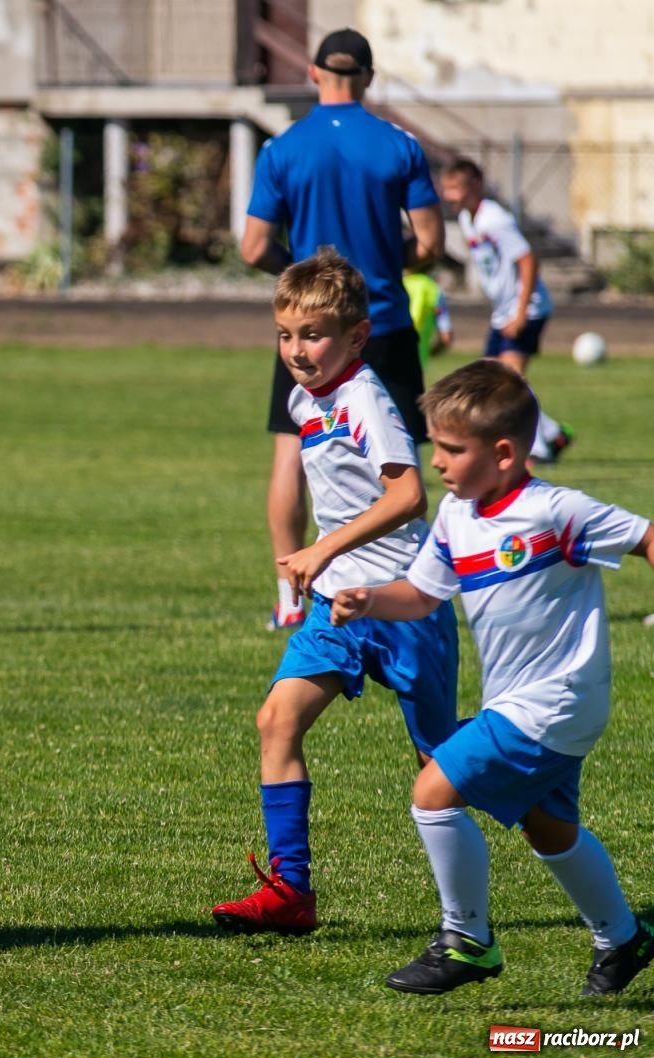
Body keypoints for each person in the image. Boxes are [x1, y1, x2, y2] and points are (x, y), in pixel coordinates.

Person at [331, 359, 654, 996]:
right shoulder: (457, 516)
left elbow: (647, 538)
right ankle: (623, 938)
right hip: (521, 701)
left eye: (452, 450)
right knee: (549, 830)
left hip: (555, 700)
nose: (437, 463)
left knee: (433, 790)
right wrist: (370, 599)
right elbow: (422, 595)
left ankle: (467, 940)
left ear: (503, 453)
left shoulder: (556, 512)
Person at [212, 250, 458, 935]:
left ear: (357, 337)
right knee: (277, 720)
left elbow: (408, 496)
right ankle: (291, 891)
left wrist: (323, 547)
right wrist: (327, 564)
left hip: (404, 603)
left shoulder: (365, 400)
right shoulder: (305, 399)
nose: (297, 350)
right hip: (338, 607)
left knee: (441, 768)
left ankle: (539, 815)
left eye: (314, 335)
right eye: (285, 335)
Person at [241, 27, 445, 631]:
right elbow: (430, 242)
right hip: (382, 321)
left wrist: (302, 282)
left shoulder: (282, 148)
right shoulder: (400, 145)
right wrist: (381, 263)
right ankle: (408, 590)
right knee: (401, 460)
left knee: (291, 452)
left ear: (312, 73)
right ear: (369, 78)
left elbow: (253, 247)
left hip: (310, 331)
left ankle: (290, 592)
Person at [440, 158, 573, 463]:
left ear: (475, 185)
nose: (449, 196)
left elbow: (528, 260)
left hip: (526, 309)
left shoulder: (494, 220)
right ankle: (552, 433)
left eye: (455, 188)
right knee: (490, 378)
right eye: (445, 189)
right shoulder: (468, 219)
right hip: (504, 311)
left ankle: (537, 447)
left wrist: (520, 312)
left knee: (509, 382)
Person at [402, 261, 452, 365]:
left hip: (390, 348)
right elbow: (446, 337)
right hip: (418, 356)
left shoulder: (398, 285)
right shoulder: (434, 290)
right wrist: (431, 352)